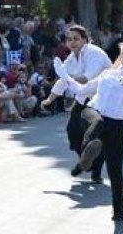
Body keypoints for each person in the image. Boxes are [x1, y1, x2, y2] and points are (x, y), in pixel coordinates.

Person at [49, 40, 123, 221]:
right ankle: (88, 153)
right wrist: (63, 74)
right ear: (120, 54)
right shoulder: (107, 73)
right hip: (93, 113)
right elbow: (81, 89)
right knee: (97, 122)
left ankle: (119, 210)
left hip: (116, 125)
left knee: (115, 171)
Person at [39, 25, 111, 183]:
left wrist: (66, 76)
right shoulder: (71, 58)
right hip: (83, 97)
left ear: (85, 39)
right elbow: (63, 81)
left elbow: (86, 79)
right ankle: (87, 162)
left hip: (102, 99)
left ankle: (95, 172)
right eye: (69, 39)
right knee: (72, 132)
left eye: (76, 38)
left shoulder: (94, 53)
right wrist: (49, 99)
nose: (72, 42)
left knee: (94, 134)